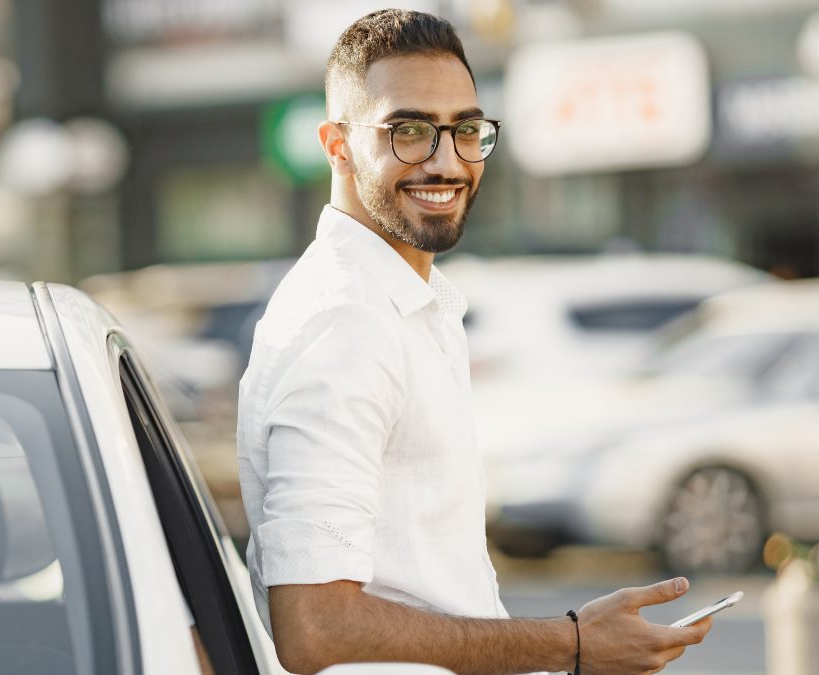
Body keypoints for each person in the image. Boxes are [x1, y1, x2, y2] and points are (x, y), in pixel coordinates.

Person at [236, 9, 712, 675]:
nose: (446, 161)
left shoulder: (405, 304)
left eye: (464, 129)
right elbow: (315, 626)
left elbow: (430, 589)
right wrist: (571, 641)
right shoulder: (346, 324)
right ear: (337, 144)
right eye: (408, 131)